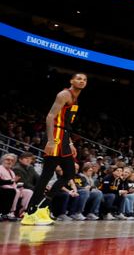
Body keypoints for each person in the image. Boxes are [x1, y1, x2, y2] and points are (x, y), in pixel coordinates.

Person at [21, 73, 87, 226]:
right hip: (55, 136)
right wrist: (50, 140)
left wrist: (69, 142)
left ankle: (44, 204)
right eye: (78, 78)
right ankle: (30, 213)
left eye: (84, 80)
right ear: (71, 81)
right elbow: (50, 117)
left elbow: (66, 125)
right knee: (46, 175)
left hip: (63, 136)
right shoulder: (64, 94)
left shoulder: (76, 98)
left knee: (70, 173)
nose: (82, 81)